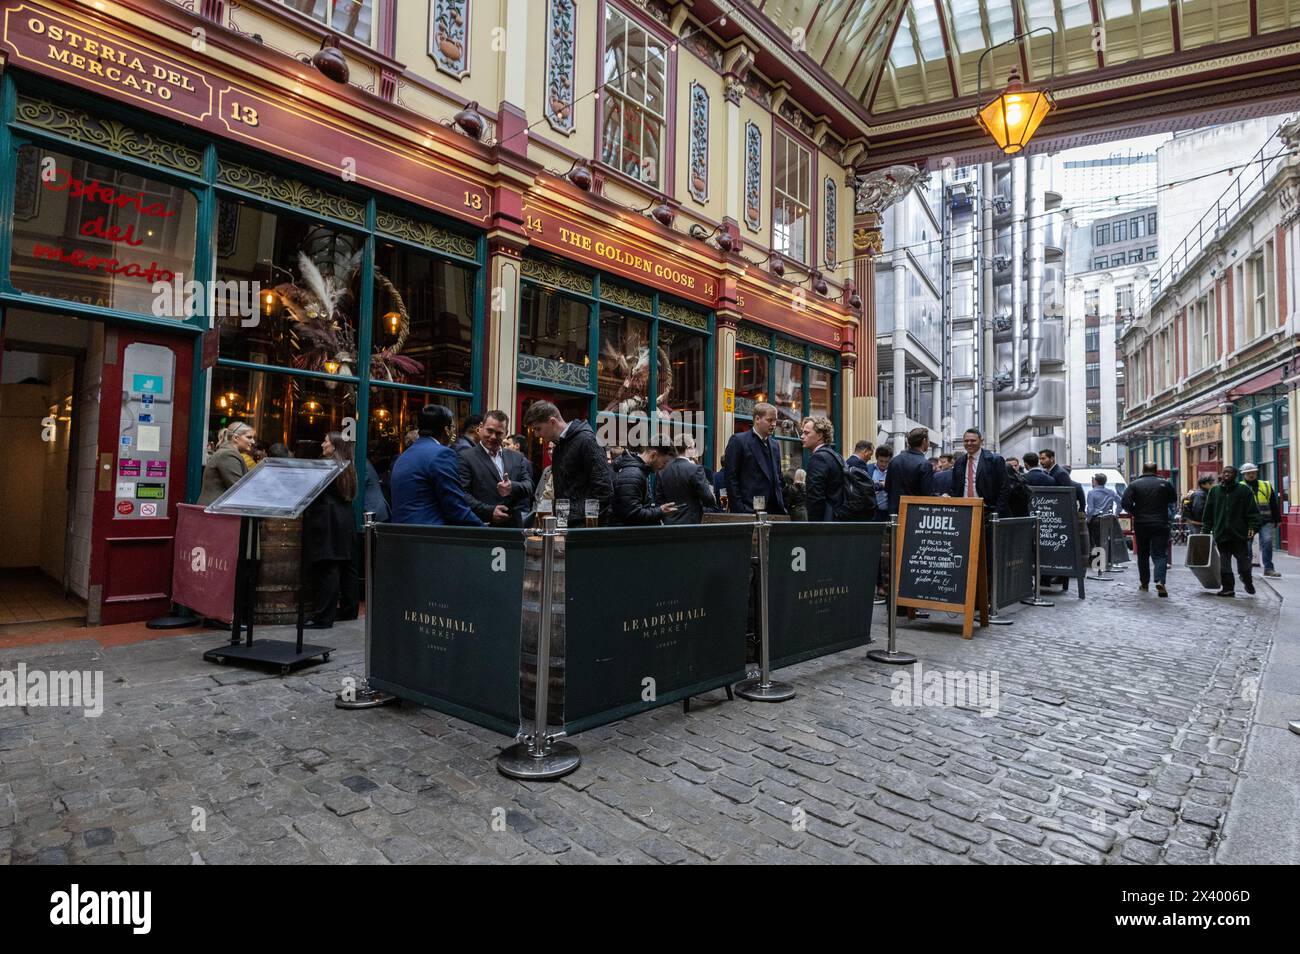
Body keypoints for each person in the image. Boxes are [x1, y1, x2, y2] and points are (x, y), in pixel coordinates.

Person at [390, 404, 484, 526]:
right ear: (446, 430)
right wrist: (483, 531)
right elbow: (455, 505)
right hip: (429, 536)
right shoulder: (441, 454)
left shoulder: (404, 455)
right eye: (452, 428)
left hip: (401, 534)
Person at [523, 400, 614, 523]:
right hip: (565, 523)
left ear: (552, 422)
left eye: (538, 428)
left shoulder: (586, 440)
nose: (536, 434)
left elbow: (604, 488)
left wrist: (588, 525)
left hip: (582, 528)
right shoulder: (559, 446)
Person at [304, 432, 359, 628]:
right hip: (344, 518)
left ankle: (323, 617)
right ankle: (349, 610)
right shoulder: (347, 465)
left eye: (326, 441)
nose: (322, 444)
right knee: (346, 565)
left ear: (334, 445)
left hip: (327, 519)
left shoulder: (328, 466)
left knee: (329, 567)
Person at [457, 409, 535, 527]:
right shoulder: (466, 457)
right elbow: (462, 493)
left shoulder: (516, 457)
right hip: (482, 527)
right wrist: (489, 511)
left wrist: (511, 487)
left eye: (499, 433)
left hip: (513, 529)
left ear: (506, 433)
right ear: (481, 427)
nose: (493, 437)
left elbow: (529, 486)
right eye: (489, 431)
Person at [1201, 464, 1261, 597]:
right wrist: (1205, 530)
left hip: (1239, 534)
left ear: (1235, 475)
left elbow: (1252, 512)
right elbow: (1208, 513)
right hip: (1221, 533)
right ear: (1221, 475)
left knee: (1243, 561)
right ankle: (1228, 588)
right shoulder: (1214, 491)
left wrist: (1253, 527)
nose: (1227, 475)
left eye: (1230, 473)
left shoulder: (1244, 491)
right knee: (1224, 563)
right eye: (1224, 472)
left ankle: (1247, 580)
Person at [1119, 463, 1176, 596]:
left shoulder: (1135, 484)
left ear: (1143, 470)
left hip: (1142, 523)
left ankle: (1144, 583)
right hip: (1161, 522)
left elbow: (1125, 503)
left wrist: (1135, 512)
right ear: (1156, 470)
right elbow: (1173, 499)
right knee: (1160, 553)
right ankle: (1160, 580)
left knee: (1143, 554)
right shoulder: (1164, 483)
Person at [723, 402, 787, 514]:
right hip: (748, 510)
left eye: (775, 420)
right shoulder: (739, 441)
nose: (773, 424)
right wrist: (740, 510)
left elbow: (778, 477)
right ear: (757, 419)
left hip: (774, 511)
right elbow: (731, 478)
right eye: (769, 420)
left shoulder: (775, 445)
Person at [655, 436, 716, 524]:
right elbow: (708, 498)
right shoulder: (695, 469)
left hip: (669, 522)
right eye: (694, 447)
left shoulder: (662, 471)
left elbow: (659, 500)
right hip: (691, 521)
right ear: (689, 448)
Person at [611, 444, 676, 526]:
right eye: (664, 462)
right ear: (653, 455)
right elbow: (632, 513)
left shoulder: (639, 471)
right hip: (628, 535)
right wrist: (660, 511)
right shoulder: (632, 474)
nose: (664, 466)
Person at [951, 428, 1010, 516]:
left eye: (973, 441)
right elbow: (955, 487)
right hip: (963, 511)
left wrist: (997, 512)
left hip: (987, 511)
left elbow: (1004, 488)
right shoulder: (959, 462)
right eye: (966, 441)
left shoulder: (995, 460)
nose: (969, 443)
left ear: (981, 441)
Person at [1240, 463, 1282, 578]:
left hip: (1265, 520)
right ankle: (1246, 569)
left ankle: (1268, 568)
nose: (1251, 475)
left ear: (1256, 473)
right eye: (1248, 473)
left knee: (1267, 542)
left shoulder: (1266, 485)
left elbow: (1273, 503)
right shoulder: (1240, 487)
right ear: (1243, 475)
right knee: (1247, 546)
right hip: (1248, 523)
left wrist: (1277, 518)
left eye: (1253, 473)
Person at [198, 422, 254, 505]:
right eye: (249, 437)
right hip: (216, 513)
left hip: (218, 510)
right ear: (236, 438)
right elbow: (239, 488)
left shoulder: (228, 452)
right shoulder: (228, 454)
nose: (253, 441)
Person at [802, 416, 844, 521]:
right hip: (837, 517)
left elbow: (815, 497)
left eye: (807, 433)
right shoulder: (835, 455)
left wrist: (814, 526)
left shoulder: (819, 458)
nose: (802, 436)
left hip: (824, 521)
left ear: (820, 435)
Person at [885, 427, 934, 515]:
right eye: (928, 440)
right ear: (924, 441)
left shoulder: (894, 460)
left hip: (894, 512)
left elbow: (887, 487)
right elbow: (927, 494)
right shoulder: (925, 464)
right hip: (915, 513)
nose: (929, 443)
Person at [1085, 472, 1122, 561]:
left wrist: (1088, 520)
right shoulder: (1111, 492)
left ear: (1096, 482)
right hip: (1108, 519)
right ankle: (1107, 560)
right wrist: (1116, 514)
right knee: (1106, 539)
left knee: (1096, 541)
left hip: (1096, 520)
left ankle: (1098, 562)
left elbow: (1090, 510)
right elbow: (1120, 503)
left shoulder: (1091, 493)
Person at [866, 445, 892, 513]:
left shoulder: (894, 471)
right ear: (876, 458)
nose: (884, 464)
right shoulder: (867, 469)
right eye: (881, 461)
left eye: (887, 462)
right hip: (870, 511)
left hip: (887, 512)